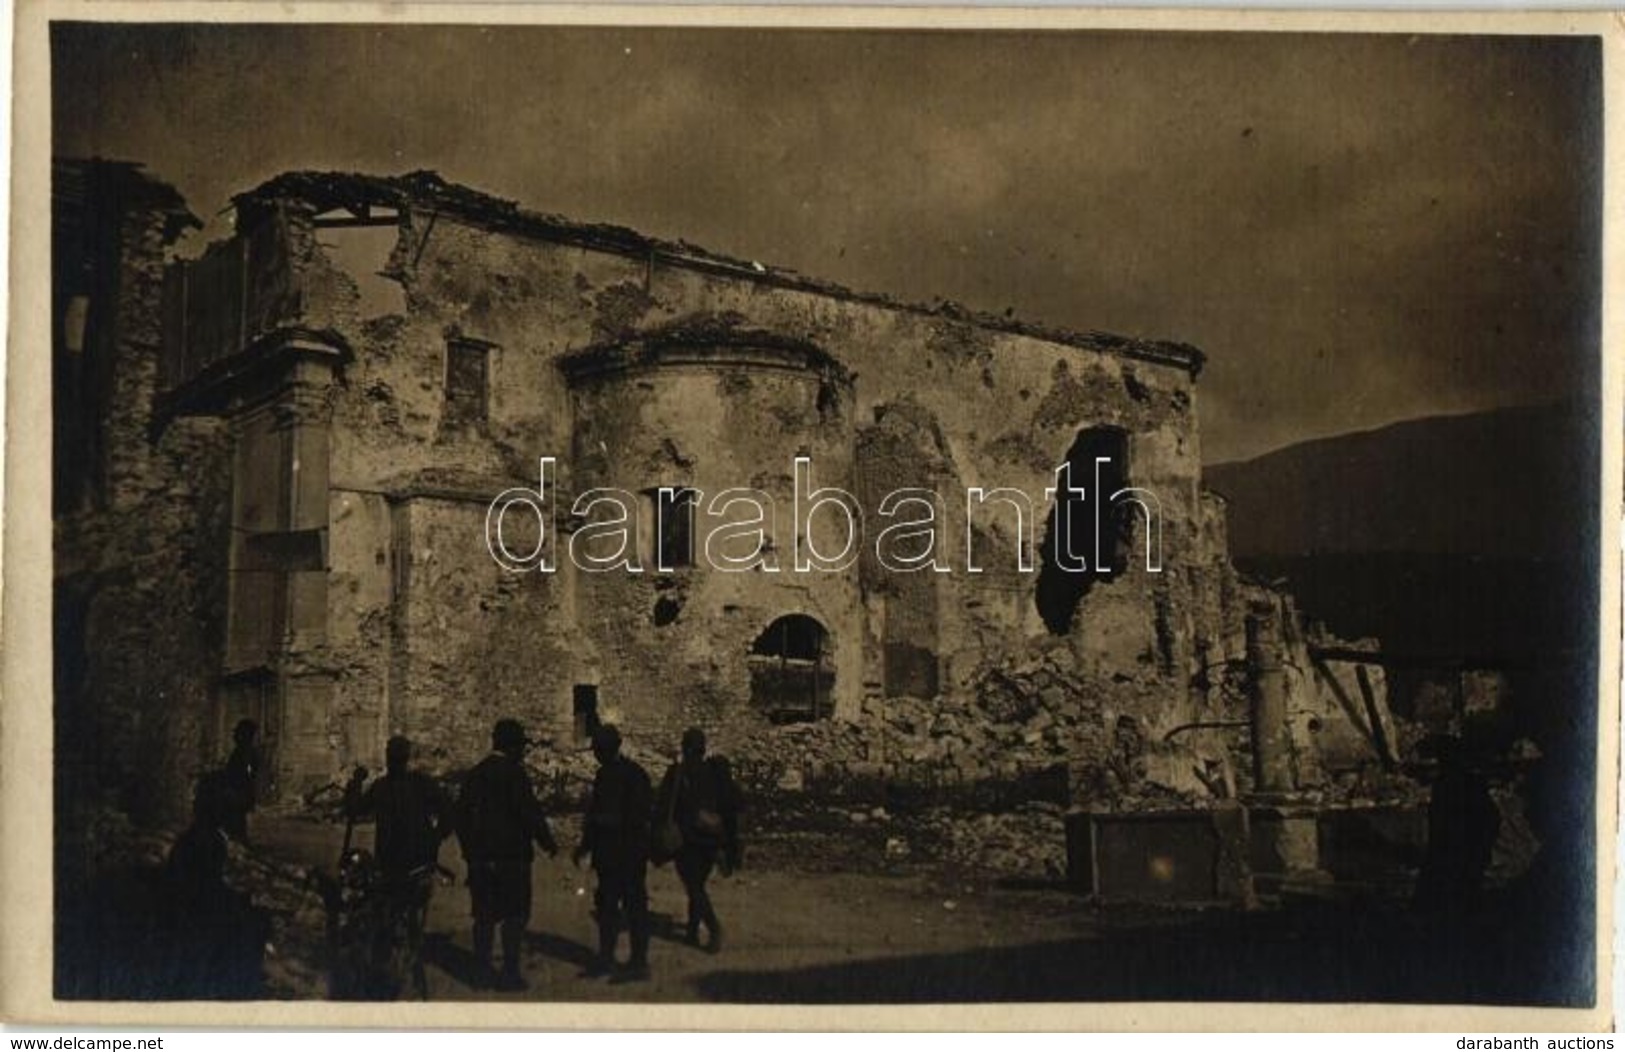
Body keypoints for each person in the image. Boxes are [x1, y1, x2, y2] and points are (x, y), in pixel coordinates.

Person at [343, 735, 453, 998]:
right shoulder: (415, 785)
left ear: (392, 758)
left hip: (403, 865)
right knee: (401, 915)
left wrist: (355, 784)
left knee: (395, 916)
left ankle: (398, 968)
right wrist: (436, 837)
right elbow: (449, 810)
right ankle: (401, 967)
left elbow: (354, 809)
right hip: (406, 865)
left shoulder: (391, 786)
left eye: (392, 755)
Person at [454, 718, 558, 991]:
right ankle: (509, 973)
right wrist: (547, 842)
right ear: (511, 746)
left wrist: (469, 854)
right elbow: (530, 814)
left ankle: (481, 971)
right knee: (515, 915)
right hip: (512, 859)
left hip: (481, 861)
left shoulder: (475, 774)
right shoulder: (515, 774)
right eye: (520, 746)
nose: (523, 752)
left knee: (484, 916)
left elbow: (460, 817)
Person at [573, 724, 653, 982]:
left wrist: (608, 823)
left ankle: (639, 963)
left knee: (634, 907)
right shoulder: (605, 775)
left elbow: (638, 816)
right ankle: (606, 959)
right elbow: (594, 816)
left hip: (628, 853)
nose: (597, 753)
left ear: (610, 748)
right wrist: (586, 846)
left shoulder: (634, 775)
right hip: (609, 856)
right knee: (607, 907)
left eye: (600, 749)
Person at [656, 727, 742, 953]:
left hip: (688, 840)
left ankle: (714, 928)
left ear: (684, 748)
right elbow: (731, 803)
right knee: (698, 885)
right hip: (711, 840)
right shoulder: (714, 772)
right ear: (703, 749)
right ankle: (692, 932)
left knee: (693, 886)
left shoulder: (677, 773)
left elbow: (663, 805)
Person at [221, 719, 261, 843]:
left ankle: (238, 839)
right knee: (236, 816)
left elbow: (246, 772)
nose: (234, 736)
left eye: (238, 733)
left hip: (239, 790)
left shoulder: (245, 752)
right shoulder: (242, 751)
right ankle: (238, 838)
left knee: (236, 815)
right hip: (239, 789)